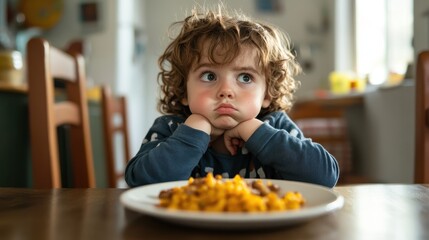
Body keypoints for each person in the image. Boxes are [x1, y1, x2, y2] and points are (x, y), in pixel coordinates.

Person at [125, 5, 339, 188]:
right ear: (184, 90)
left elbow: (325, 176)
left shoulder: (275, 125)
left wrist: (253, 131)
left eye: (245, 78)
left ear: (266, 93)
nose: (226, 90)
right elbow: (139, 182)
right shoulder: (171, 128)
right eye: (209, 75)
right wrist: (194, 132)